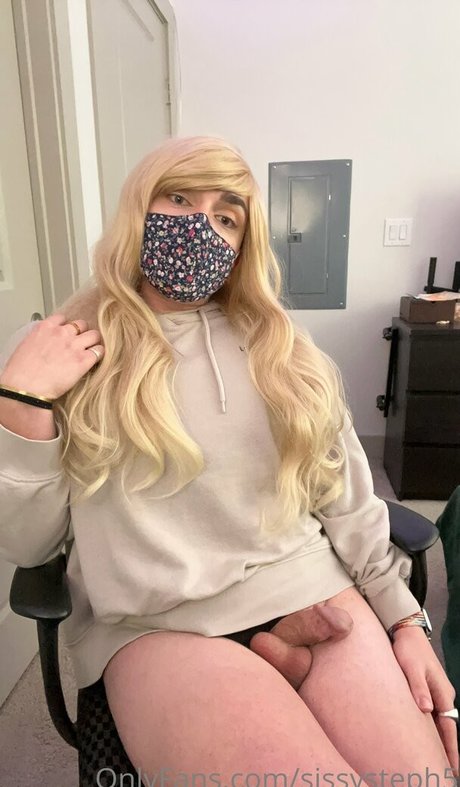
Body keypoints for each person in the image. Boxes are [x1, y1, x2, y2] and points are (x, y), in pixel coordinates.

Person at [0, 135, 458, 785]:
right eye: (178, 198)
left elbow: (344, 495)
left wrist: (406, 619)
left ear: (244, 243)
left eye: (226, 216)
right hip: (158, 621)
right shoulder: (63, 346)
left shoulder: (282, 347)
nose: (200, 226)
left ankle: (280, 659)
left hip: (308, 587)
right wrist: (21, 403)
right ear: (137, 207)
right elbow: (28, 544)